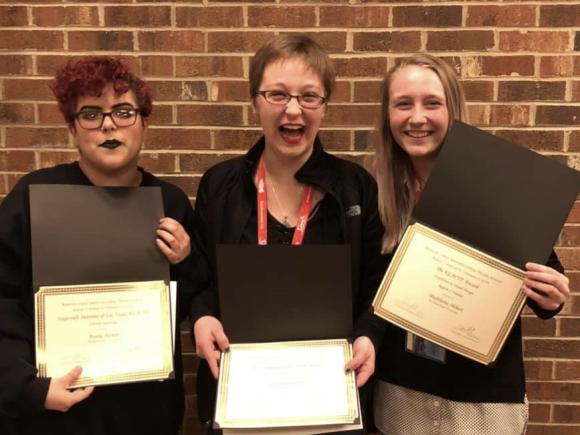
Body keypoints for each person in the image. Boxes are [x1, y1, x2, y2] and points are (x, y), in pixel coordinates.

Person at [189, 33, 388, 432]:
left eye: (309, 96)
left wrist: (369, 336)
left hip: (329, 393)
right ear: (254, 102)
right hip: (242, 391)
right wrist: (202, 316)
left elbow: (377, 284)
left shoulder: (357, 188)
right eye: (277, 94)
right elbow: (202, 276)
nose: (293, 110)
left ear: (324, 106)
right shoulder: (219, 185)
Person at [368, 53, 570, 435]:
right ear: (387, 115)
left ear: (453, 111)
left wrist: (553, 295)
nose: (416, 117)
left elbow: (545, 280)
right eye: (403, 104)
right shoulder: (376, 193)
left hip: (483, 397)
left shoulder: (494, 187)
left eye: (432, 103)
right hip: (400, 390)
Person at [0, 56, 194, 435]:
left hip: (144, 413)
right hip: (56, 413)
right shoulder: (34, 197)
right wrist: (29, 389)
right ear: (72, 127)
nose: (108, 124)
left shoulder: (169, 203)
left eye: (123, 111)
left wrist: (184, 262)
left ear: (144, 123)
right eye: (91, 114)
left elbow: (186, 307)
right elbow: (3, 302)